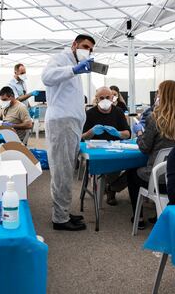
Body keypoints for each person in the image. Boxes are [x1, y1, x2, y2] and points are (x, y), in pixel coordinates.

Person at [41, 34, 95, 231]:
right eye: (85, 46)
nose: (87, 51)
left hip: (70, 124)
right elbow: (46, 77)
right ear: (74, 45)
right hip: (62, 123)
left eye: (90, 49)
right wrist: (73, 70)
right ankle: (60, 219)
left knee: (66, 170)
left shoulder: (75, 65)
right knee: (62, 171)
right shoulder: (61, 60)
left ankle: (62, 211)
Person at [127, 80, 175, 229]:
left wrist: (140, 132)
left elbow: (145, 148)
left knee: (132, 174)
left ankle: (139, 217)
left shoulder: (154, 118)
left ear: (162, 95)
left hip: (157, 179)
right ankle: (158, 213)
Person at [82, 86, 131, 205]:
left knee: (133, 167)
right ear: (97, 99)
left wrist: (118, 133)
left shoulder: (118, 112)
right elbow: (81, 137)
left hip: (116, 149)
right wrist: (91, 132)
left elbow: (128, 134)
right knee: (107, 166)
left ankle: (112, 188)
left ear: (113, 98)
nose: (105, 100)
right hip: (96, 150)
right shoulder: (90, 114)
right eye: (101, 98)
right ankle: (108, 188)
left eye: (107, 97)